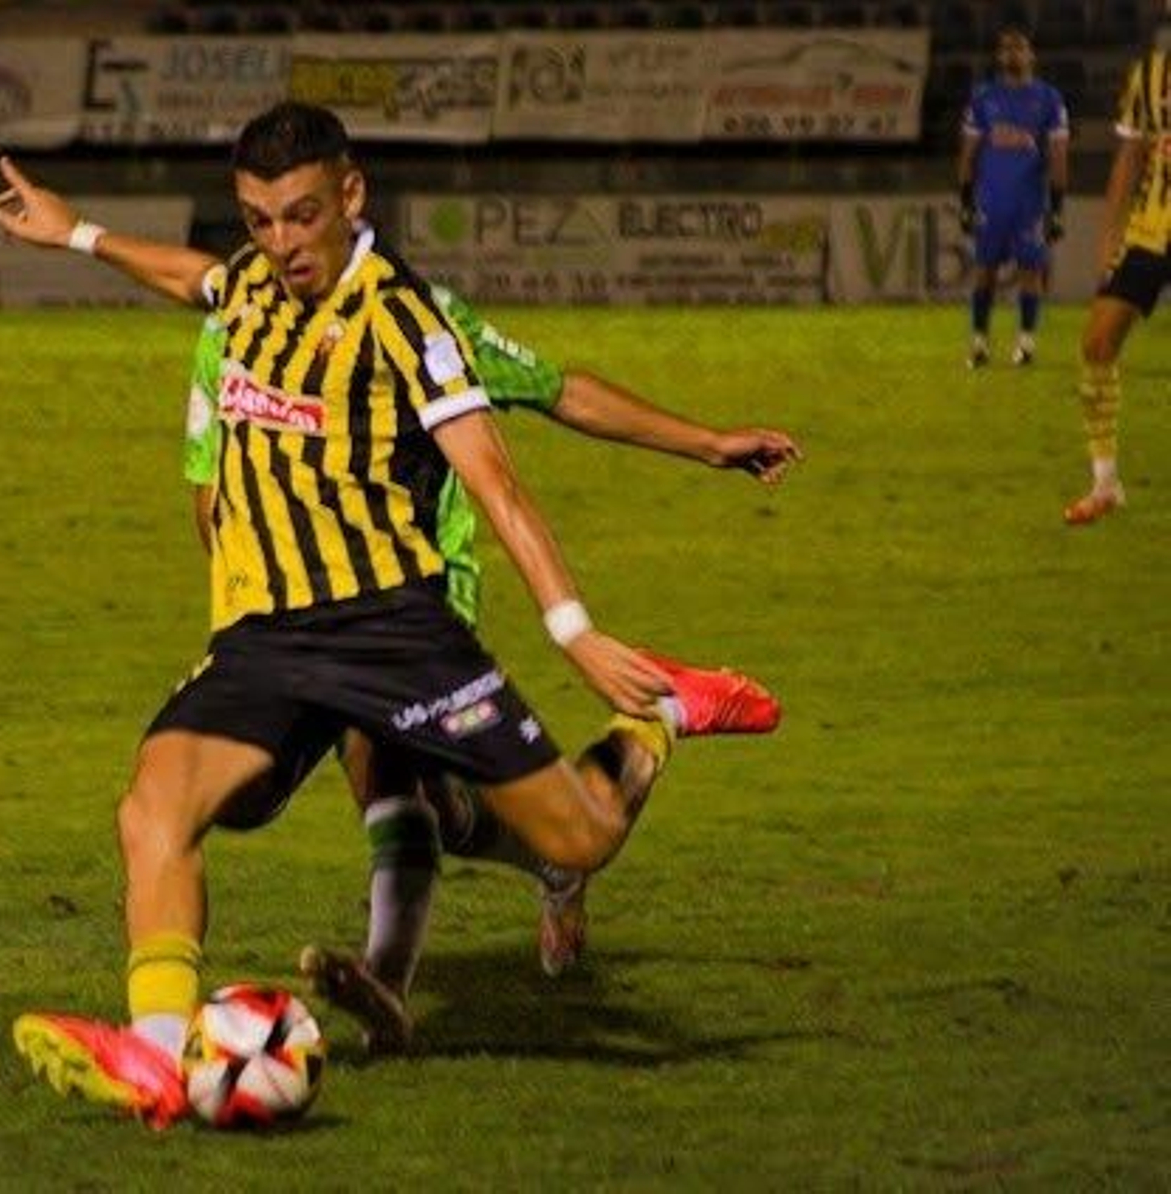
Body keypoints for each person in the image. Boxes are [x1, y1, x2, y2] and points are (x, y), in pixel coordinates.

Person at [0, 102, 779, 1129]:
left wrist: (573, 629)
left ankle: (660, 719)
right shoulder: (251, 287)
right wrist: (80, 236)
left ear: (351, 195)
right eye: (259, 218)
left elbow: (496, 483)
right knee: (154, 809)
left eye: (299, 217)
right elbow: (198, 278)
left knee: (574, 840)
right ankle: (152, 1055)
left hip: (396, 632)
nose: (280, 244)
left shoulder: (407, 321)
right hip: (269, 637)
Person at [180, 299, 800, 1047]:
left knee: (381, 761)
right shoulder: (231, 325)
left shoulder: (415, 314)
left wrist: (706, 444)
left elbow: (556, 389)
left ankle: (386, 979)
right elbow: (209, 492)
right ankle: (551, 864)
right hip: (291, 614)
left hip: (415, 599)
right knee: (381, 805)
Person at [1066, 45, 1169, 525]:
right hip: (1152, 229)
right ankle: (1106, 483)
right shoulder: (1150, 73)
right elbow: (1128, 158)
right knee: (1097, 343)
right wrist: (1110, 239)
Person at [957, 27, 1070, 368]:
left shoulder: (1049, 99)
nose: (1012, 54)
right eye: (1005, 48)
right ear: (998, 56)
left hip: (1029, 203)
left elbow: (1059, 155)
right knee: (984, 271)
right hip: (990, 201)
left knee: (1031, 271)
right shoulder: (983, 97)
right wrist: (965, 201)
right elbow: (968, 153)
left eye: (1019, 48)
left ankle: (1025, 344)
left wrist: (1057, 208)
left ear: (1031, 55)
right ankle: (979, 343)